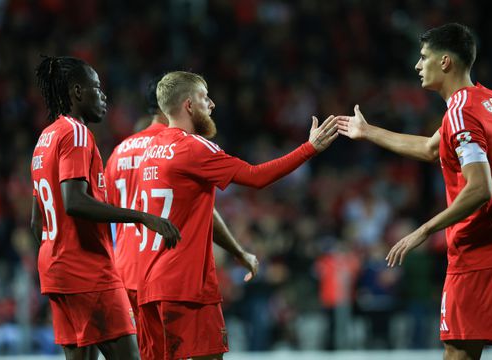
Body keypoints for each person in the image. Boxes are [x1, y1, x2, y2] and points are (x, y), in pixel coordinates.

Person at [337, 23, 492, 359]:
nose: (417, 65)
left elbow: (480, 188)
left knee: (459, 353)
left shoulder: (461, 114)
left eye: (424, 57)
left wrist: (421, 231)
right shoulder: (491, 100)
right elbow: (428, 148)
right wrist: (367, 131)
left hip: (477, 254)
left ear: (445, 62)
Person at [136, 70, 338, 359]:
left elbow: (199, 211)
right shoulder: (194, 147)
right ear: (189, 105)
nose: (212, 104)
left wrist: (237, 251)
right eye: (205, 97)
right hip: (185, 285)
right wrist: (309, 148)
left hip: (148, 285)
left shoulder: (149, 149)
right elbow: (256, 177)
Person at [30, 56, 180, 360]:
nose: (103, 95)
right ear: (77, 92)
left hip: (55, 270)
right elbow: (74, 201)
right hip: (87, 271)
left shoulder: (46, 137)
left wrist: (59, 257)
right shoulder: (77, 133)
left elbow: (37, 222)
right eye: (96, 88)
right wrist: (141, 217)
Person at [104, 76, 259, 332]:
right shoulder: (173, 147)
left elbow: (107, 213)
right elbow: (202, 210)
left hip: (123, 274)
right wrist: (238, 252)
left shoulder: (119, 152)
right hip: (164, 270)